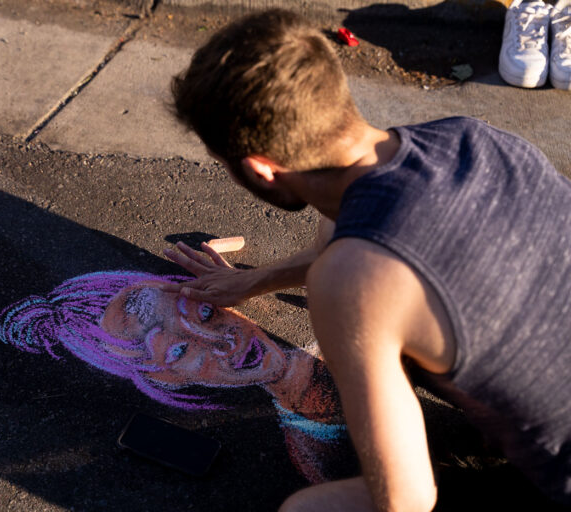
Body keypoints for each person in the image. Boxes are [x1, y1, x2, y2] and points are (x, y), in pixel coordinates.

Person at [164, 8, 571, 512]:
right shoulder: (468, 138)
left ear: (261, 169)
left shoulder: (351, 279)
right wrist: (257, 280)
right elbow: (377, 242)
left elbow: (405, 501)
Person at [0, 270, 358, 483]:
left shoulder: (359, 336)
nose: (221, 340)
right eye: (178, 351)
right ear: (165, 380)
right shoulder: (314, 455)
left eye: (205, 313)